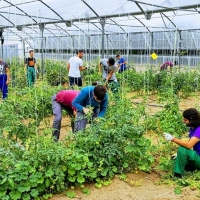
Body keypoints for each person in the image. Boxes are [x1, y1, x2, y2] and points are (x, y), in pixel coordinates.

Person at [163, 108, 200, 177]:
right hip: (197, 155)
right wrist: (179, 155)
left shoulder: (199, 130)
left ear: (192, 120)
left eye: (185, 120)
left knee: (182, 149)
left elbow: (189, 145)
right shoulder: (193, 127)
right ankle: (191, 167)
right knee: (176, 159)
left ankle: (178, 174)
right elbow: (191, 143)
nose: (183, 121)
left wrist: (173, 139)